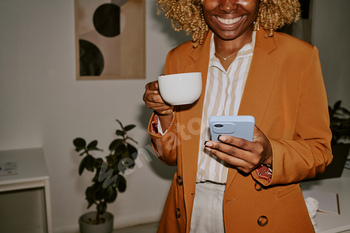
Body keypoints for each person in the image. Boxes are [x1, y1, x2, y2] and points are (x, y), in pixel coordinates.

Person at [143, 0, 333, 232]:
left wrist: (270, 154)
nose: (228, 6)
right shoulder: (180, 57)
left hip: (263, 209)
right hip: (192, 207)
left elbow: (320, 152)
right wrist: (164, 113)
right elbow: (171, 155)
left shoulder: (299, 57)